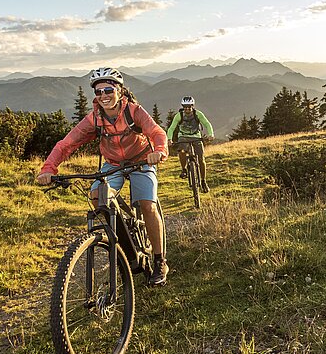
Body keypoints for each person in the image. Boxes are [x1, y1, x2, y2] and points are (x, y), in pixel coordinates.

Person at [36, 67, 171, 286]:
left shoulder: (134, 111)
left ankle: (159, 261)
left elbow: (156, 132)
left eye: (108, 90)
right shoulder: (94, 119)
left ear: (119, 90)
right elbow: (66, 144)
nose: (103, 96)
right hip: (113, 164)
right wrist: (48, 169)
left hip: (142, 160)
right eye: (98, 92)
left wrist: (160, 151)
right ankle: (123, 244)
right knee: (98, 197)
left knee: (148, 205)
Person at [166, 95, 214, 193]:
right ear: (183, 106)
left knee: (201, 159)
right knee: (182, 151)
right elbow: (171, 128)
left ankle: (203, 181)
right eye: (185, 106)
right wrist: (169, 139)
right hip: (183, 136)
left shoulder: (198, 114)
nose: (187, 108)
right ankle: (184, 169)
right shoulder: (179, 115)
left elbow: (207, 124)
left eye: (189, 106)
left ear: (192, 106)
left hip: (196, 136)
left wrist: (211, 134)